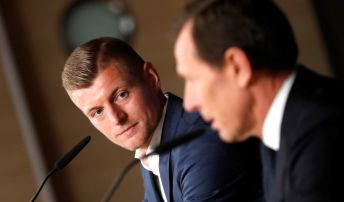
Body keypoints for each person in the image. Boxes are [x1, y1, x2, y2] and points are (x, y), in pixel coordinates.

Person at [173, 0, 344, 201]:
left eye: (193, 79)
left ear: (238, 67)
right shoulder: (277, 130)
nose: (189, 103)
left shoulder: (320, 134)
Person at [61, 37, 263, 202]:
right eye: (97, 112)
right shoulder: (152, 152)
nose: (116, 119)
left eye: (121, 95)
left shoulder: (199, 141)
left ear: (151, 78)